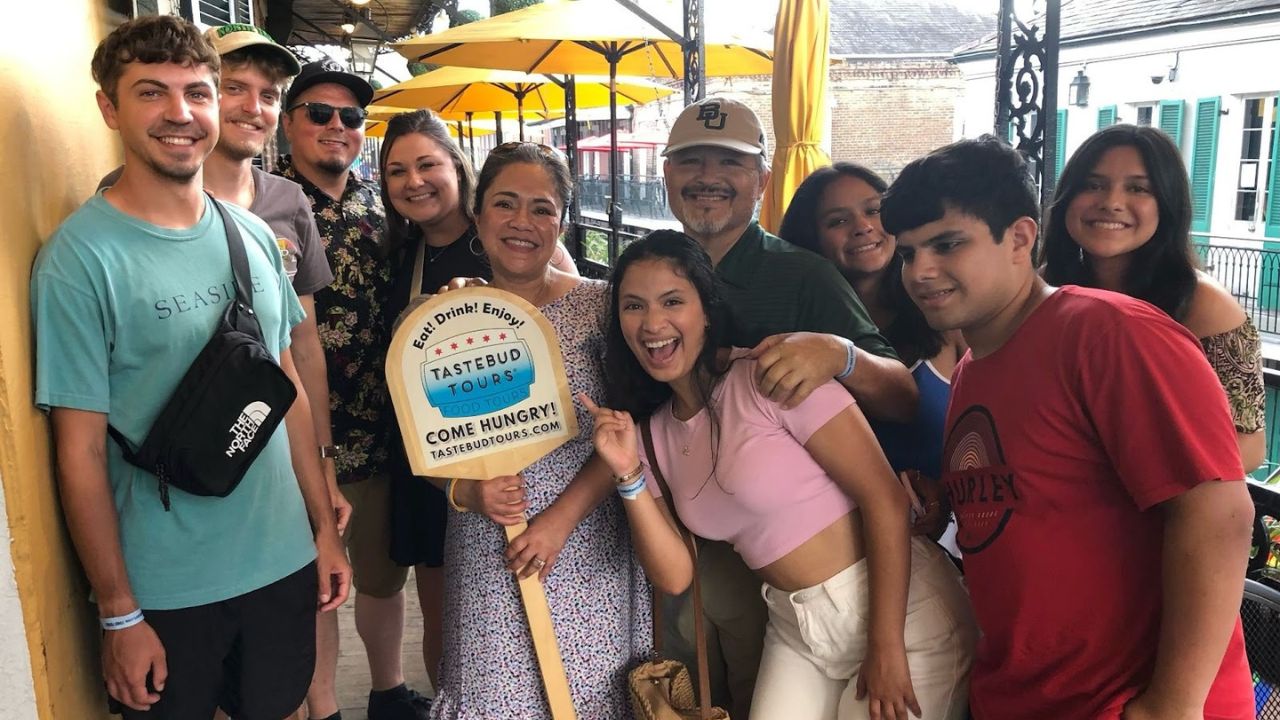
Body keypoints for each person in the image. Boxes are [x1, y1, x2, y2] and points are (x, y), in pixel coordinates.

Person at [31, 15, 349, 718]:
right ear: (109, 108)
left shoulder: (254, 236)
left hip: (280, 564)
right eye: (151, 93)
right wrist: (118, 613)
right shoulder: (80, 262)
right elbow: (79, 450)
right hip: (166, 591)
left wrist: (322, 532)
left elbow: (286, 386)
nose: (181, 114)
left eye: (197, 93)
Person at [880, 135, 1255, 719]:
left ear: (1021, 239)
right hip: (1022, 691)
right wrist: (946, 506)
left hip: (1122, 701)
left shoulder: (1108, 332)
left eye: (947, 244)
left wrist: (1171, 705)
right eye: (906, 253)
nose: (921, 271)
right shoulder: (974, 370)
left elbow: (1219, 512)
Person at [583, 230, 976, 720]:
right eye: (633, 306)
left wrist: (887, 646)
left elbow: (885, 499)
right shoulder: (652, 435)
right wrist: (627, 475)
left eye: (672, 301)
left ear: (707, 308)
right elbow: (675, 573)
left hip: (901, 612)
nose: (652, 323)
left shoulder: (771, 377)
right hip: (794, 623)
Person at [658, 96, 916, 716]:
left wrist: (840, 355)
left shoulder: (801, 274)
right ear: (667, 175)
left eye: (730, 162)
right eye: (690, 161)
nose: (708, 177)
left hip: (795, 565)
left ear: (762, 180)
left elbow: (905, 396)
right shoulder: (653, 270)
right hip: (688, 541)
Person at [427, 142, 650, 719]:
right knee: (493, 696)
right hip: (487, 550)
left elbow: (629, 431)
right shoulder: (444, 320)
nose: (522, 222)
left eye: (542, 208)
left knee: (589, 696)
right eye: (505, 203)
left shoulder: (602, 307)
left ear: (564, 222)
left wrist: (558, 521)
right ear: (476, 216)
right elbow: (428, 449)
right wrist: (466, 492)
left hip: (588, 544)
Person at [277, 61, 427, 720]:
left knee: (381, 575)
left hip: (387, 428)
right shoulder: (264, 203)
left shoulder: (381, 199)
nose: (336, 127)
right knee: (319, 583)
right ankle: (324, 706)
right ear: (288, 124)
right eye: (318, 113)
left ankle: (388, 690)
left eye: (350, 117)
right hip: (305, 436)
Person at [1042, 124, 1266, 473]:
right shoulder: (1045, 289)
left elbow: (1248, 447)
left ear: (1167, 204)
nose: (1111, 203)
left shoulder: (1204, 305)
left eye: (1137, 188)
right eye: (1093, 184)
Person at [780, 163, 968, 549]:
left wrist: (947, 497)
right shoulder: (794, 336)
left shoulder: (945, 316)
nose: (863, 226)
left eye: (874, 210)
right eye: (837, 220)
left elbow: (993, 435)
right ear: (809, 237)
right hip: (836, 552)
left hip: (951, 541)